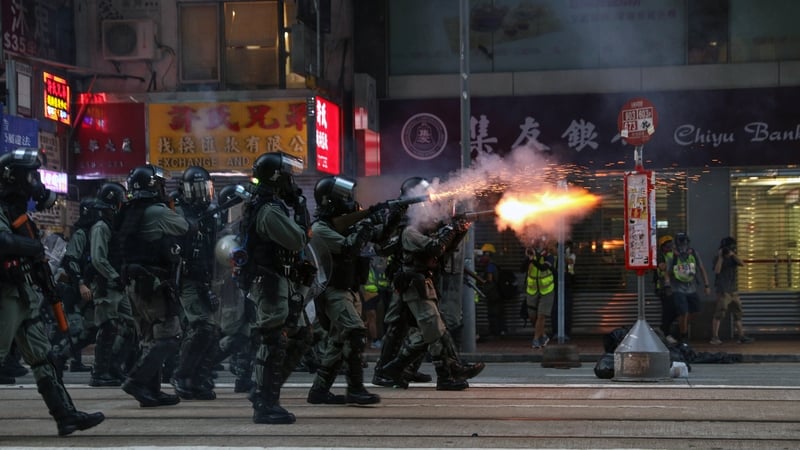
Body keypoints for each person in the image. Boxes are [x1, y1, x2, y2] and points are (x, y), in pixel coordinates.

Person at [0, 148, 105, 435]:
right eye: (30, 175)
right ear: (13, 176)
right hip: (4, 296)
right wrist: (34, 248)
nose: (35, 182)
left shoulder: (17, 210)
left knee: (42, 357)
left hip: (20, 292)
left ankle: (66, 415)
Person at [376, 177, 485, 391]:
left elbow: (442, 248)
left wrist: (457, 229)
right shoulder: (402, 222)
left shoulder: (422, 222)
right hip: (407, 280)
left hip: (423, 278)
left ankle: (408, 369)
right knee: (402, 327)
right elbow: (386, 246)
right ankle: (385, 370)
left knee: (430, 328)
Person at [236, 151, 309, 424]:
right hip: (269, 283)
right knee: (273, 339)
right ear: (278, 177)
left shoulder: (269, 205)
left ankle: (263, 391)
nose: (293, 181)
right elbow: (298, 239)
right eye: (289, 175)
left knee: (300, 336)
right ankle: (266, 403)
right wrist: (301, 210)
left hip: (279, 281)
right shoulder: (268, 209)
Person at [306, 175, 381, 405]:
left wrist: (386, 217)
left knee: (337, 343)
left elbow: (379, 243)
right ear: (329, 201)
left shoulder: (343, 224)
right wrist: (366, 224)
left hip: (347, 289)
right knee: (355, 332)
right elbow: (349, 248)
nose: (349, 201)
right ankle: (356, 389)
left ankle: (319, 391)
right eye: (344, 197)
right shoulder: (320, 229)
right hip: (332, 291)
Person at [117, 164, 189, 407]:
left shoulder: (128, 210)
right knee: (170, 335)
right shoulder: (157, 211)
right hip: (153, 284)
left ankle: (151, 391)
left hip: (134, 283)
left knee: (148, 338)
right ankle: (137, 381)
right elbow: (184, 227)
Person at [172, 166, 222, 400]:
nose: (202, 194)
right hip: (187, 278)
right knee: (201, 327)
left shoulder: (212, 213)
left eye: (206, 188)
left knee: (211, 331)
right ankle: (182, 375)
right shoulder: (177, 213)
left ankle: (200, 379)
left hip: (207, 278)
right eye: (196, 189)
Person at [89, 182, 135, 387]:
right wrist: (114, 276)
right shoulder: (101, 227)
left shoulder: (113, 225)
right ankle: (99, 372)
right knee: (108, 328)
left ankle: (114, 367)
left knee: (129, 327)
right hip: (107, 285)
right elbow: (98, 258)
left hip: (118, 284)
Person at [664, 232, 710, 344]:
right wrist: (667, 284)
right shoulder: (672, 256)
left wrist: (707, 285)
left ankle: (679, 327)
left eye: (685, 242)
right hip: (678, 288)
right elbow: (667, 272)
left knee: (696, 311)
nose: (683, 246)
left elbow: (701, 268)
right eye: (681, 243)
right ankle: (683, 336)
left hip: (691, 288)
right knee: (684, 312)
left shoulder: (693, 253)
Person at [710, 237, 754, 345]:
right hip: (723, 290)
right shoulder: (718, 258)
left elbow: (743, 264)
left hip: (733, 290)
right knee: (719, 313)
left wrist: (733, 254)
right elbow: (717, 271)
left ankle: (741, 336)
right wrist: (721, 257)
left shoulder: (733, 258)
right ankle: (715, 337)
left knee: (737, 313)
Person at [523, 236, 556, 349]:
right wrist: (528, 258)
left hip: (547, 290)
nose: (538, 247)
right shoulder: (531, 256)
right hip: (532, 290)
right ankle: (543, 335)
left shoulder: (550, 257)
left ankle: (536, 339)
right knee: (533, 317)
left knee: (541, 316)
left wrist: (534, 259)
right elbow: (521, 268)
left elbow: (543, 268)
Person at [476, 243, 505, 337]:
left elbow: (489, 279)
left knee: (493, 314)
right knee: (497, 313)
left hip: (493, 294)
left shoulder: (490, 266)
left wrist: (480, 280)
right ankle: (499, 331)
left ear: (488, 254)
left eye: (484, 254)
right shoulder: (494, 264)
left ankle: (496, 332)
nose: (483, 256)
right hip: (496, 293)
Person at [654, 235, 678, 343]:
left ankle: (665, 331)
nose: (670, 246)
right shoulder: (661, 257)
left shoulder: (674, 255)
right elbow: (663, 269)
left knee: (677, 310)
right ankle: (665, 333)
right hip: (664, 288)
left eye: (671, 244)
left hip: (676, 287)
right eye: (667, 245)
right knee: (668, 311)